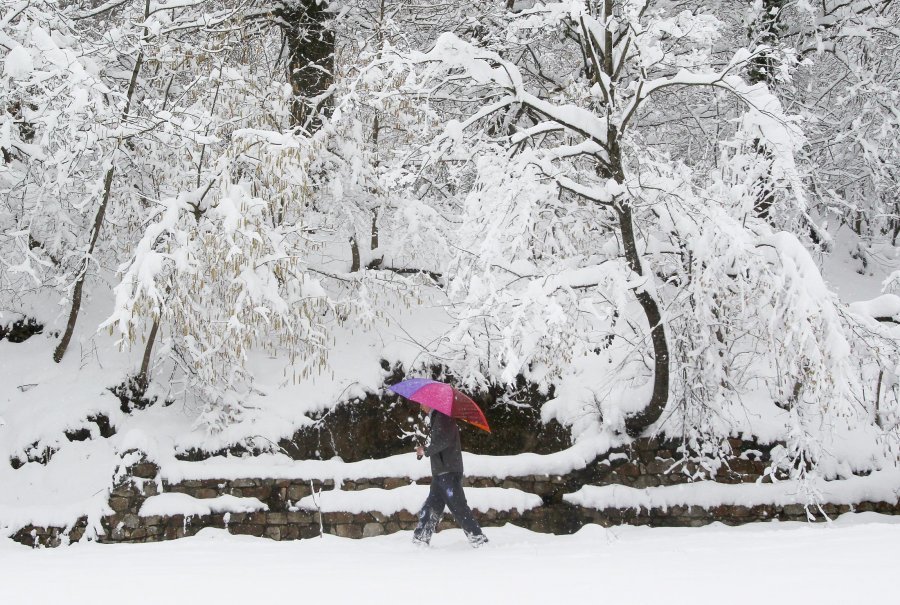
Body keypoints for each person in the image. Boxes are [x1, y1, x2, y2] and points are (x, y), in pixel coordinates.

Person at [413, 403, 488, 548]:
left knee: (459, 506)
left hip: (447, 471)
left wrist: (426, 450)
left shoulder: (443, 417)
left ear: (430, 402)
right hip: (441, 471)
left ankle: (478, 539)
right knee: (432, 505)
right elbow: (441, 440)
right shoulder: (438, 417)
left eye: (423, 404)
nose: (421, 407)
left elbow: (444, 441)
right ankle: (421, 537)